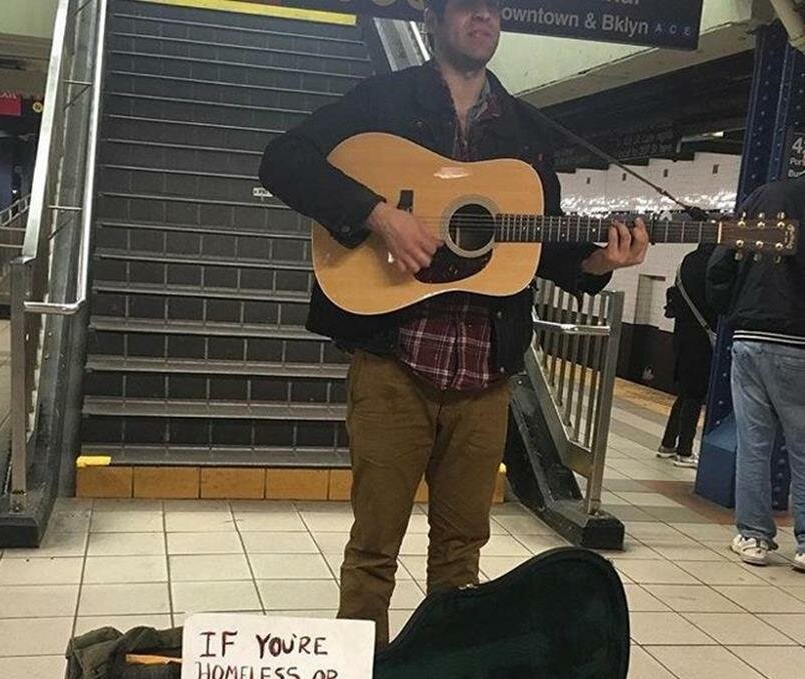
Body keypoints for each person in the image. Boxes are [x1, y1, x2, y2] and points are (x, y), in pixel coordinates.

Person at [259, 0, 649, 645]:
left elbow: (536, 246)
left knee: (462, 556)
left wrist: (598, 262)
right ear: (433, 21)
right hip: (394, 361)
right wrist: (378, 213)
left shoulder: (526, 130)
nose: (485, 19)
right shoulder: (381, 100)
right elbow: (282, 161)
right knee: (374, 547)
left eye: (495, 9)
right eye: (469, 7)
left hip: (487, 371)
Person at [707, 176, 805, 571]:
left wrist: (732, 310)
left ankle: (753, 538)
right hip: (799, 340)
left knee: (753, 444)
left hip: (749, 336)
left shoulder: (763, 196)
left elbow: (719, 265)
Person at [657, 244, 717, 468]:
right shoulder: (713, 263)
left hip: (681, 334)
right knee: (695, 394)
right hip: (701, 338)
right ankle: (684, 451)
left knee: (685, 391)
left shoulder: (687, 261)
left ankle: (667, 444)